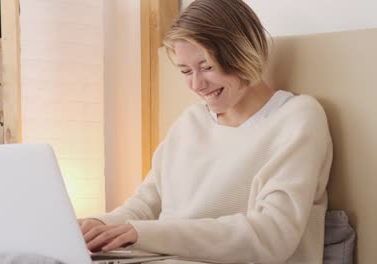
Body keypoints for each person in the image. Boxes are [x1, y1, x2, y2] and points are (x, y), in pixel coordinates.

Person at [79, 0, 332, 263]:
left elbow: (272, 235)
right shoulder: (191, 121)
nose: (197, 84)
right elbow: (144, 206)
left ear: (242, 53)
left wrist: (143, 233)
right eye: (186, 71)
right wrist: (96, 225)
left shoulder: (297, 118)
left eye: (207, 67)